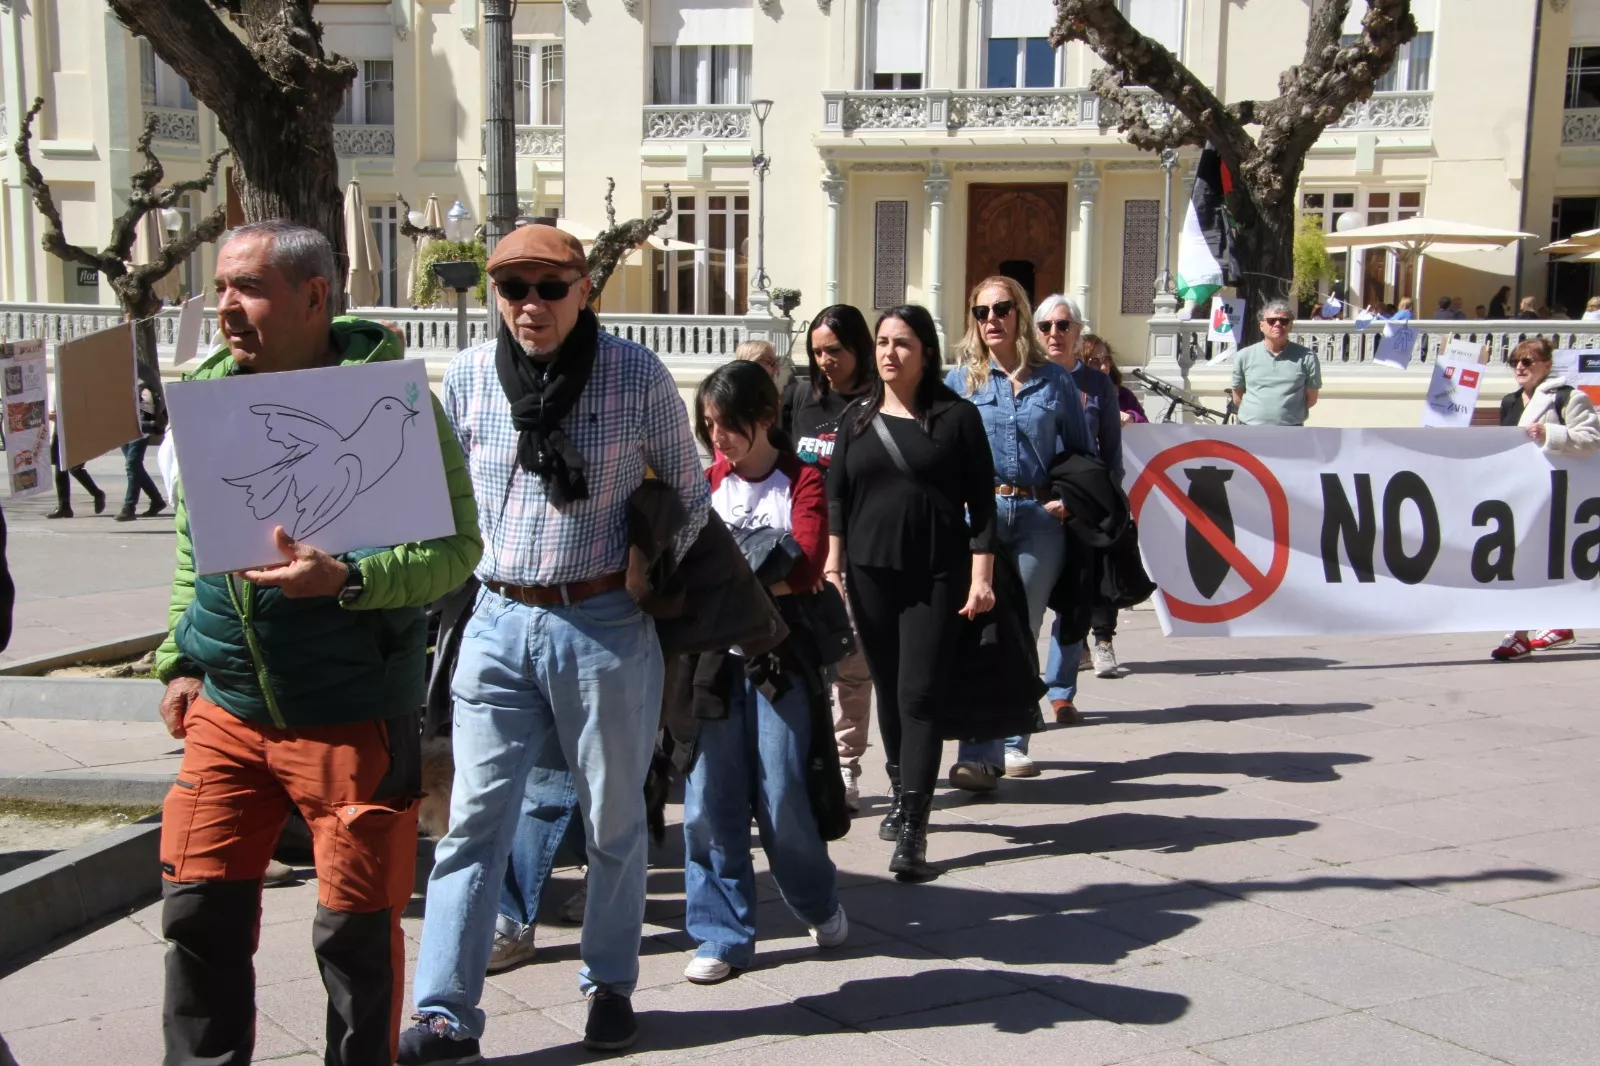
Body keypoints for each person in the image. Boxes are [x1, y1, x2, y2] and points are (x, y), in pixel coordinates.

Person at [152, 220, 483, 1066]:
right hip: (226, 712)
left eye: (248, 287)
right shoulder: (211, 393)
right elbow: (195, 547)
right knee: (196, 914)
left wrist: (346, 580)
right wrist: (183, 659)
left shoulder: (399, 406)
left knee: (355, 940)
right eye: (220, 285)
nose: (226, 305)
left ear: (313, 297)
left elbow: (454, 554)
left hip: (349, 719)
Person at [404, 224, 710, 1061]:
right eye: (512, 289)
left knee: (614, 823)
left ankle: (609, 984)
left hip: (605, 623)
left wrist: (648, 568)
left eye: (547, 287)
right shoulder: (467, 375)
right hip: (498, 620)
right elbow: (441, 497)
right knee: (472, 823)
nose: (528, 305)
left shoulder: (636, 373)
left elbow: (690, 490)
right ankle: (443, 1013)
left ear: (584, 290)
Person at [678, 359, 846, 984]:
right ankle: (721, 934)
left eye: (728, 425)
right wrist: (748, 574)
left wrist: (728, 577)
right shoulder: (706, 481)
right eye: (709, 425)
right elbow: (686, 566)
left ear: (766, 418)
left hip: (780, 661)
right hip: (712, 666)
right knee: (707, 802)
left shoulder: (802, 480)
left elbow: (800, 566)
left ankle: (815, 898)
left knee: (782, 792)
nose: (717, 438)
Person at [824, 305, 997, 881]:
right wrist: (833, 563)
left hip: (937, 575)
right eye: (881, 343)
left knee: (919, 696)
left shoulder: (957, 418)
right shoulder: (856, 417)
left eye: (902, 343)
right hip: (871, 574)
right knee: (892, 692)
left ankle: (916, 827)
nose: (888, 353)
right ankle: (901, 792)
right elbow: (839, 499)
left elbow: (983, 506)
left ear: (926, 352)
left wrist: (981, 575)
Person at [944, 279, 1091, 789]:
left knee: (1022, 633)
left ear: (1019, 314)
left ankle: (1012, 742)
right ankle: (976, 753)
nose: (991, 319)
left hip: (1035, 520)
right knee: (978, 632)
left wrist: (1066, 502)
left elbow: (1081, 452)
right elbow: (938, 449)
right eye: (981, 310)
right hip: (978, 519)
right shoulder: (960, 380)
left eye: (1002, 308)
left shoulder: (1056, 381)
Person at [782, 304, 878, 811]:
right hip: (800, 556)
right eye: (817, 351)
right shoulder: (800, 397)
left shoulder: (879, 401)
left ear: (859, 347)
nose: (825, 361)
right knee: (800, 665)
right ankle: (800, 759)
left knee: (851, 667)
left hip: (858, 553)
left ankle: (846, 764)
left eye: (835, 351)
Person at [1037, 296, 1121, 719]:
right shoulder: (1024, 379)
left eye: (1064, 325)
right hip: (1031, 505)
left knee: (1074, 605)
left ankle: (1061, 690)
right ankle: (1018, 692)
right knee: (1024, 607)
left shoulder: (1097, 385)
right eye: (1046, 326)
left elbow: (1110, 453)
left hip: (1078, 510)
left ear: (1078, 332)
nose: (1055, 334)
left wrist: (1102, 509)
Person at [1490, 337, 1600, 661]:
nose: (1520, 368)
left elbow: (1591, 439)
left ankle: (1522, 632)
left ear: (1547, 365)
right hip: (1521, 494)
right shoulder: (1510, 402)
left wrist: (1550, 434)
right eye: (1515, 363)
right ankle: (1540, 626)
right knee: (1522, 559)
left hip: (1560, 494)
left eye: (1528, 362)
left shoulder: (1569, 398)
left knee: (1542, 560)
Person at [1229, 300, 1322, 426]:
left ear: (1290, 326)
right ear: (1261, 325)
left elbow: (1311, 398)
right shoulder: (1244, 355)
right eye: (1271, 321)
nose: (1278, 324)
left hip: (1291, 430)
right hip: (1249, 429)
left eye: (1284, 321)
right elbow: (1237, 396)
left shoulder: (1307, 357)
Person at [117, 383, 167, 521]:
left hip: (139, 432)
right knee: (135, 467)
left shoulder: (143, 388)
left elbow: (147, 416)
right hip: (123, 430)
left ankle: (129, 507)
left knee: (132, 465)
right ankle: (156, 500)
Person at [45, 414, 105, 520]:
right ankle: (64, 506)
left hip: (75, 427)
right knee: (60, 468)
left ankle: (97, 493)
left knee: (74, 467)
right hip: (60, 428)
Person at [1084, 337, 1148, 425]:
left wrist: (1132, 417)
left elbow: (1146, 426)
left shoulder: (1124, 395)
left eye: (1106, 360)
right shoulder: (1071, 395)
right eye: (1095, 361)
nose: (1103, 367)